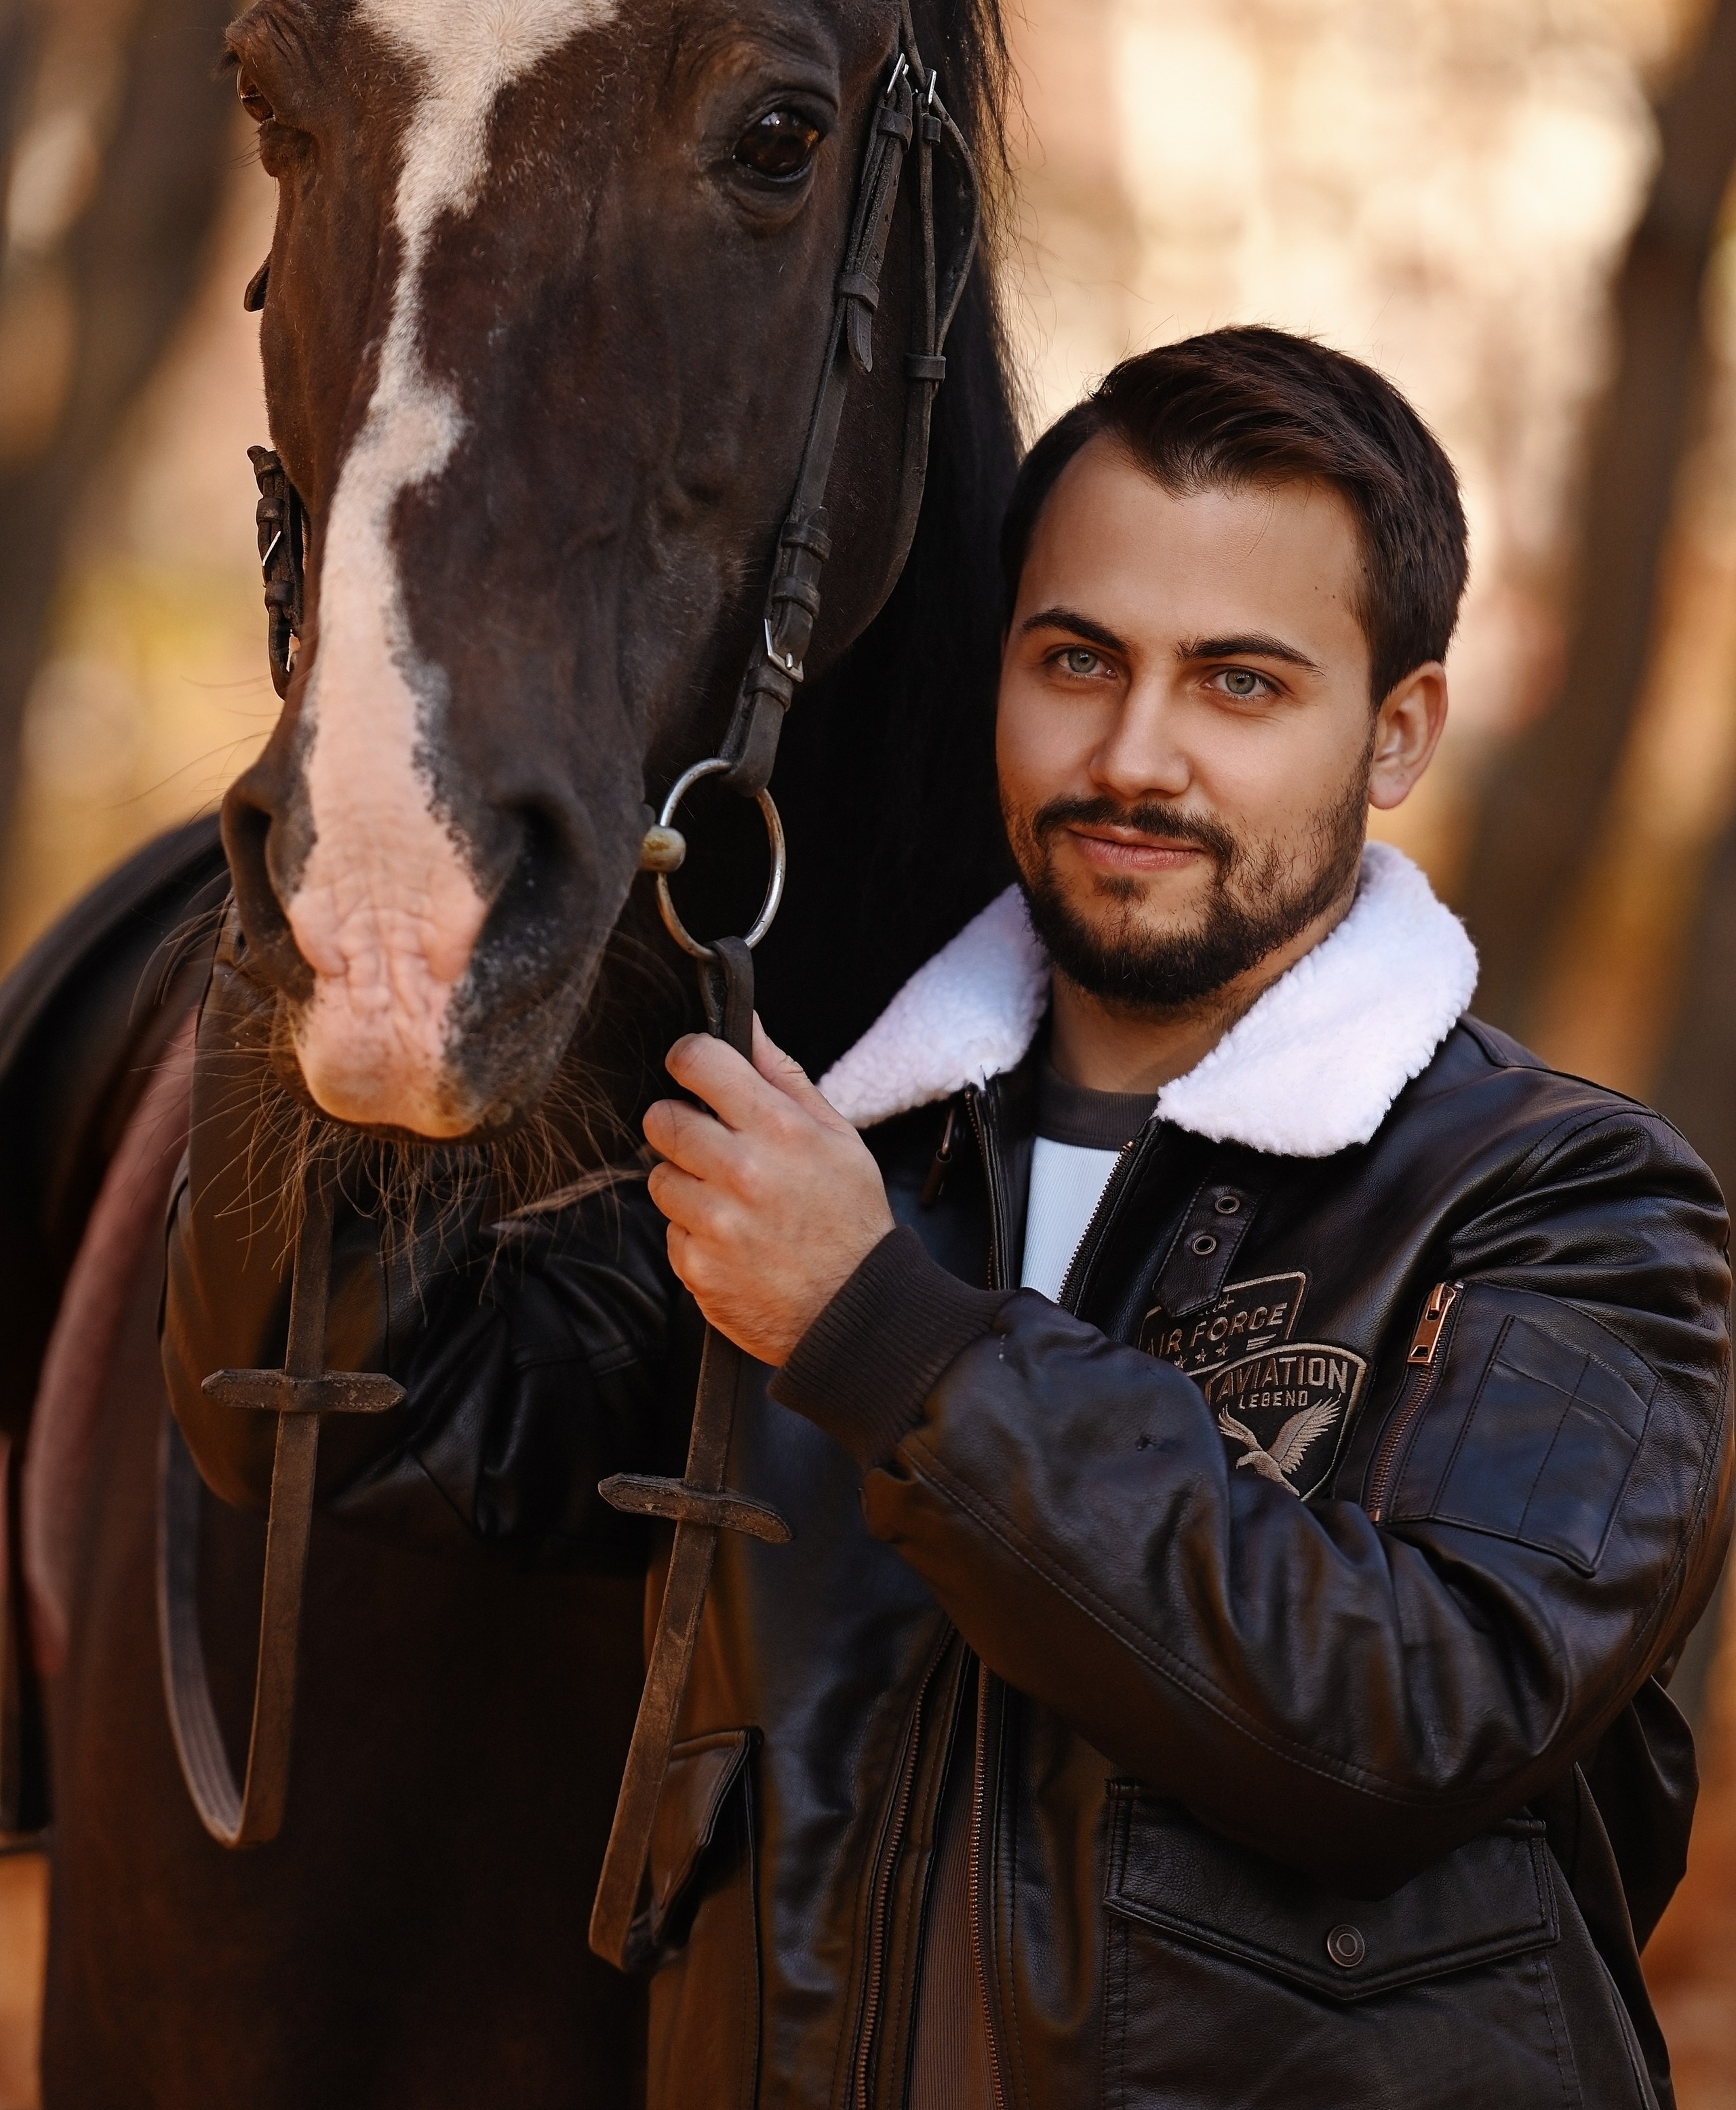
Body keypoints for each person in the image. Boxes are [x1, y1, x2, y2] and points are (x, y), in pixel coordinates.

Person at [168, 326, 1731, 2109]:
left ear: (1397, 732)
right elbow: (341, 1406)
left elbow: (1421, 1715)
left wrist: (882, 1336)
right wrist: (352, 807)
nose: (1133, 755)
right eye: (1078, 660)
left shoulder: (1569, 1203)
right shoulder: (843, 1161)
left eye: (1239, 685)